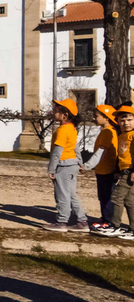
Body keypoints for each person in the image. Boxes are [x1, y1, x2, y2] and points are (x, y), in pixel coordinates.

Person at [45, 98, 89, 232]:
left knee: (62, 195)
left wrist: (51, 169)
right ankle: (82, 222)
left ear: (65, 115)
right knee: (70, 194)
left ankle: (62, 222)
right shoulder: (71, 129)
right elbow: (76, 148)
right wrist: (80, 162)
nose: (54, 111)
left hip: (63, 166)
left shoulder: (62, 130)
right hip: (72, 164)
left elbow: (57, 152)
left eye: (56, 110)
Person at [95, 105, 134, 238]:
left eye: (129, 120)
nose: (126, 123)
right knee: (129, 201)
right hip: (124, 171)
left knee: (116, 198)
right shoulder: (123, 135)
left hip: (130, 171)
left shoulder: (133, 135)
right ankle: (132, 229)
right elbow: (121, 155)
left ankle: (114, 225)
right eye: (122, 120)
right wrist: (118, 170)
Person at [84, 105, 118, 229]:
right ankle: (105, 218)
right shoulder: (106, 131)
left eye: (97, 115)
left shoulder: (108, 132)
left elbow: (100, 152)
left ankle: (108, 221)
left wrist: (87, 166)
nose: (94, 117)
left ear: (106, 118)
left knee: (106, 196)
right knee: (103, 196)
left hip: (107, 171)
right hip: (103, 170)